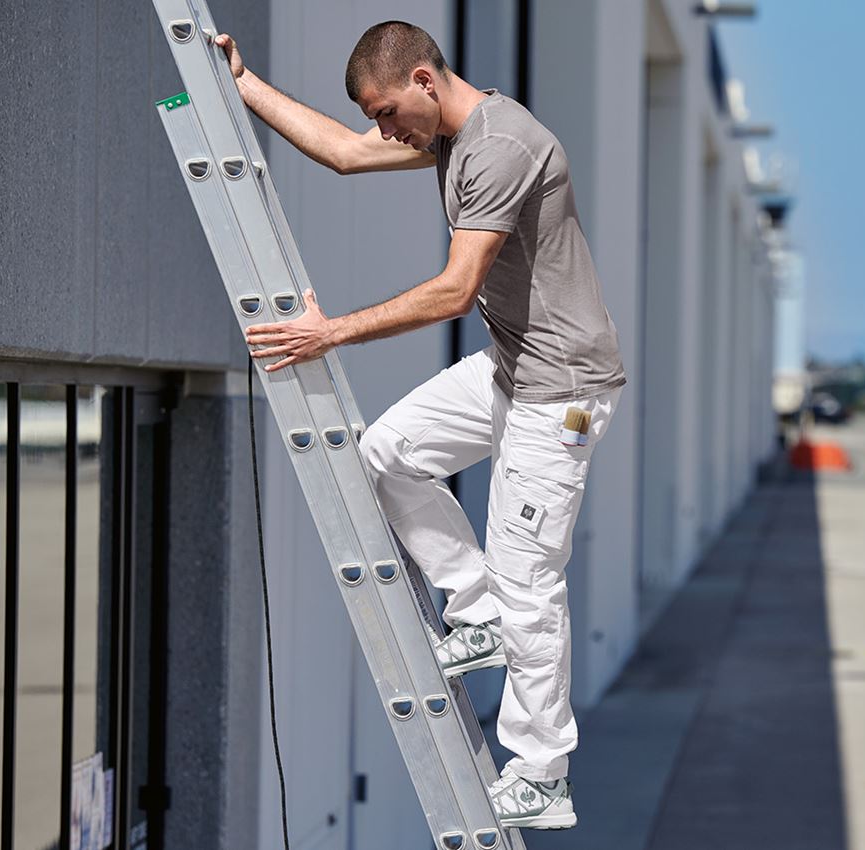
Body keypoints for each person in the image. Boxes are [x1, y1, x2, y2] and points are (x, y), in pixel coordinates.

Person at [221, 21, 625, 830]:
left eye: (387, 111)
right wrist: (243, 85)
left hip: (564, 393)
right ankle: (473, 609)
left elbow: (452, 290)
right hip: (513, 369)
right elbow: (342, 152)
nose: (384, 131)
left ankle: (542, 773)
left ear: (423, 81)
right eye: (378, 117)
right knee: (387, 453)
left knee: (530, 580)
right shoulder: (453, 138)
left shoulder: (502, 147)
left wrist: (328, 332)